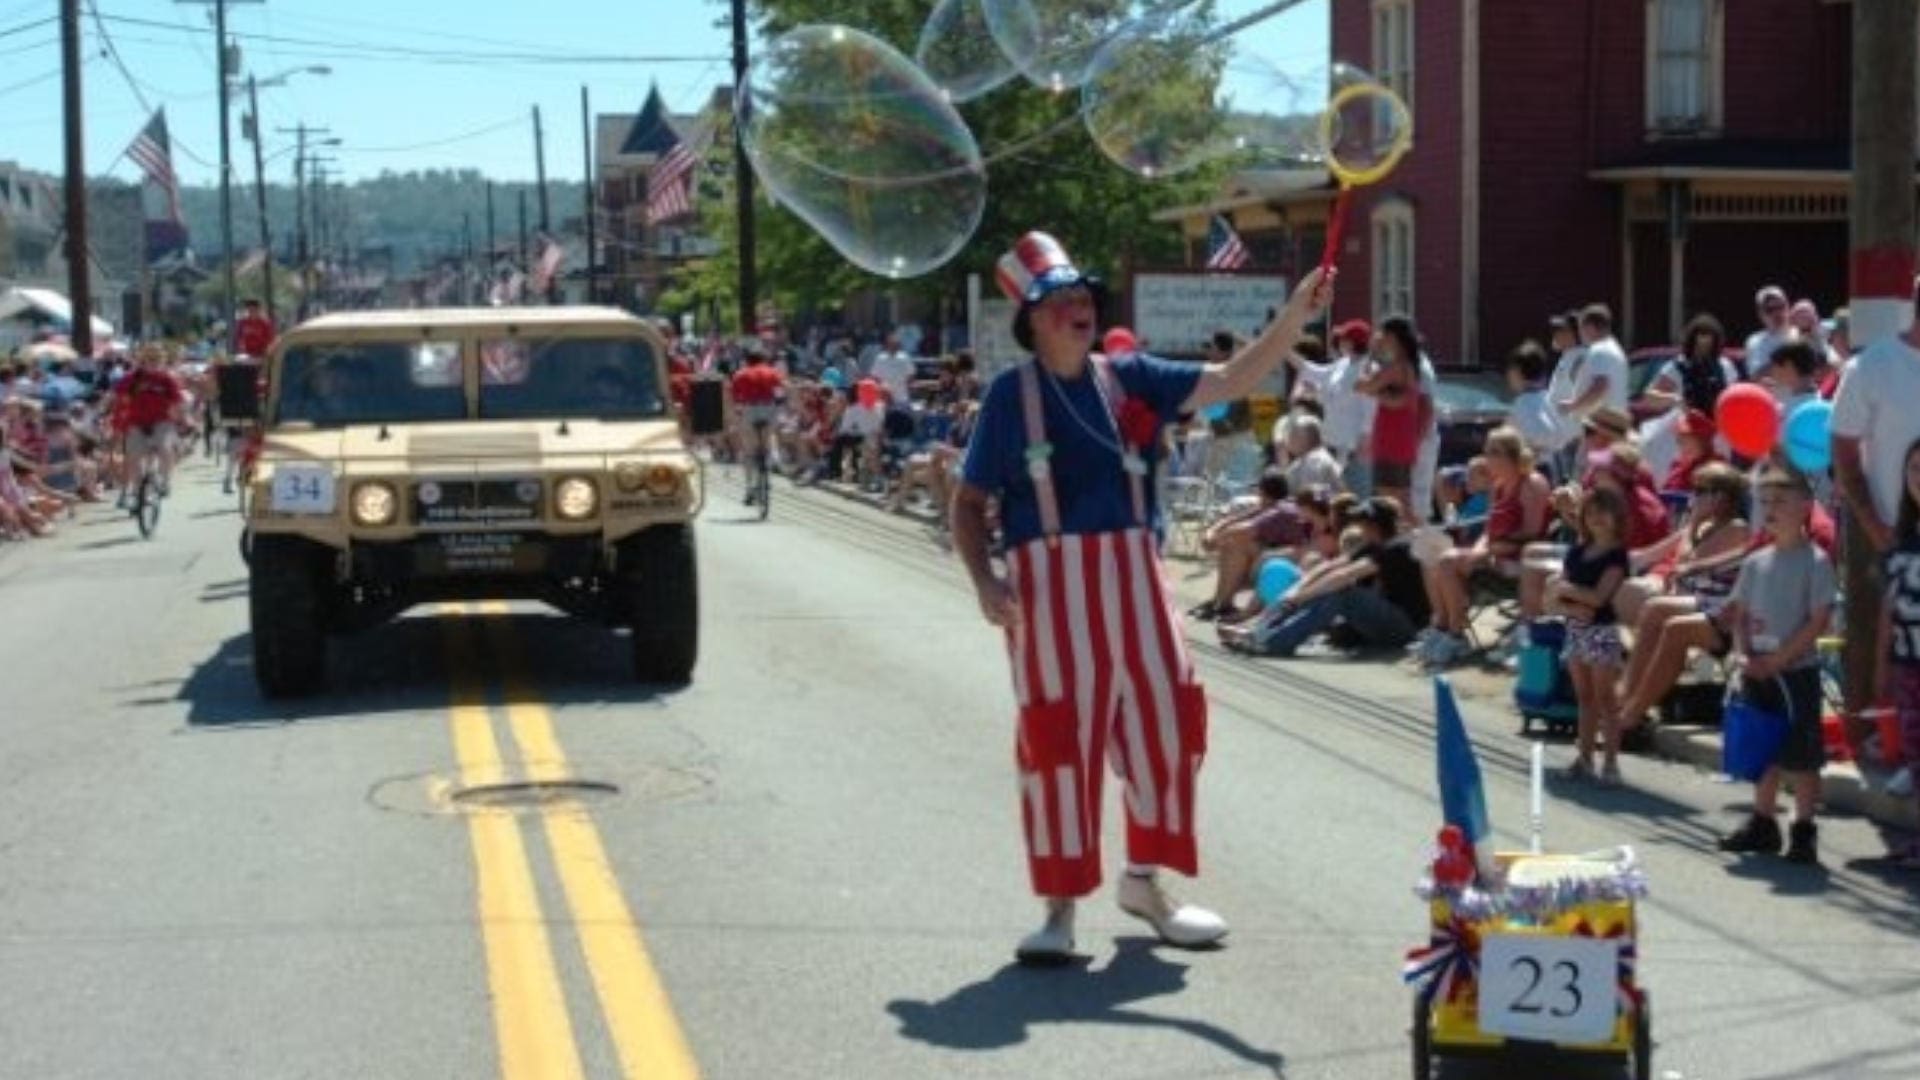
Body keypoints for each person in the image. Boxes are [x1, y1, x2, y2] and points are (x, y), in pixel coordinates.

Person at [951, 230, 1331, 963]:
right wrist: (985, 581)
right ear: (1031, 321)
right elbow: (969, 503)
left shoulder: (1130, 375)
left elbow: (1228, 379)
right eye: (1058, 300)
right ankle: (1059, 910)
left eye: (1081, 294)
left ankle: (1143, 881)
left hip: (1135, 576)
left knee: (1171, 716)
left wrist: (1290, 319)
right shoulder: (1010, 397)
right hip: (1048, 590)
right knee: (1058, 739)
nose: (1077, 306)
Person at [1717, 468, 1835, 865]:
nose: (1771, 509)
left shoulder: (1815, 561)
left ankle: (1804, 829)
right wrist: (1742, 653)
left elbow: (1818, 619)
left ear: (1805, 507)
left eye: (1781, 501)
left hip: (1796, 671)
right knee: (1762, 746)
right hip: (1758, 669)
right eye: (1764, 502)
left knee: (1802, 756)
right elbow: (1740, 614)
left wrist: (1780, 660)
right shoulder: (1755, 562)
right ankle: (1763, 822)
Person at [1614, 464, 1752, 732]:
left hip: (1724, 613)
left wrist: (1693, 525)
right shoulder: (1704, 527)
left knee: (1665, 619)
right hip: (1701, 602)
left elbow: (1688, 561)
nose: (1693, 497)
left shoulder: (1736, 527)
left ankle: (1630, 711)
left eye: (1701, 491)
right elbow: (1670, 559)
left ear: (1721, 498)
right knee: (1654, 610)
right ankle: (1626, 698)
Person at [1415, 427, 1553, 666]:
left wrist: (1488, 550)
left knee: (1448, 562)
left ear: (1512, 455)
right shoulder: (1498, 486)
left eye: (1494, 452)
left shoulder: (1532, 483)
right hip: (1495, 554)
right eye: (1487, 451)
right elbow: (1490, 530)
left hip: (1522, 562)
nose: (1487, 457)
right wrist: (1480, 549)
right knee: (1432, 558)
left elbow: (1532, 532)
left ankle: (1457, 635)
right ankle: (1444, 626)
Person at [1222, 497, 1429, 657]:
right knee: (1321, 589)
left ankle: (1271, 642)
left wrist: (1301, 597)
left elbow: (1345, 575)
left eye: (1361, 523)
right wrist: (1295, 591)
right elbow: (1331, 567)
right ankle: (1257, 631)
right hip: (1386, 619)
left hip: (1406, 628)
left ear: (1373, 526)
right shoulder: (1374, 545)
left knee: (1342, 593)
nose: (1358, 527)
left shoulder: (1398, 547)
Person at [1556, 485, 1632, 785]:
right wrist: (1571, 604)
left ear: (1617, 517)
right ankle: (1584, 757)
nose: (1597, 518)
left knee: (1606, 699)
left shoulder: (1616, 556)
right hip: (1576, 630)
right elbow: (1557, 596)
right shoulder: (1576, 552)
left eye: (1604, 512)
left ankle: (1611, 762)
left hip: (1601, 632)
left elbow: (1599, 598)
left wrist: (1568, 593)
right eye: (1591, 512)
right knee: (1584, 698)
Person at [1875, 435, 1920, 866]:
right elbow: (1888, 610)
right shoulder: (1900, 543)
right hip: (1908, 662)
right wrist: (1880, 669)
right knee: (1915, 748)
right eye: (1914, 470)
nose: (1919, 479)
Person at [1356, 316, 1431, 524]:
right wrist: (1383, 394)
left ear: (1393, 337)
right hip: (1400, 440)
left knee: (1392, 503)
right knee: (1400, 501)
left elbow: (1362, 385)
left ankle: (1418, 541)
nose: (1379, 338)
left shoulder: (1396, 366)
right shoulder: (1409, 364)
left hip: (1391, 440)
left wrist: (1371, 354)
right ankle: (1418, 538)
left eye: (1383, 334)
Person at [119, 346, 185, 498]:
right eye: (150, 360)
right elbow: (118, 395)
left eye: (157, 360)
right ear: (143, 361)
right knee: (133, 455)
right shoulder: (132, 378)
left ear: (162, 361)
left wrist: (183, 417)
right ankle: (136, 488)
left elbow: (178, 401)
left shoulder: (166, 379)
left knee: (165, 448)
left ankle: (166, 481)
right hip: (136, 421)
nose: (153, 363)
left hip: (162, 421)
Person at [729, 344, 785, 505]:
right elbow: (780, 393)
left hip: (750, 408)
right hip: (768, 408)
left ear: (747, 360)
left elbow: (735, 397)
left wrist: (736, 414)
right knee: (768, 439)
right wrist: (779, 405)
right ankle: (770, 462)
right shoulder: (773, 372)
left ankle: (750, 487)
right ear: (764, 359)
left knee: (749, 451)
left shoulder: (740, 374)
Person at [1745, 285, 1794, 389]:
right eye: (1769, 309)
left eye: (1781, 307)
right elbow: (1756, 377)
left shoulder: (1802, 334)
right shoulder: (1754, 341)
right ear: (1760, 314)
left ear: (1788, 307)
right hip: (1771, 397)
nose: (1777, 313)